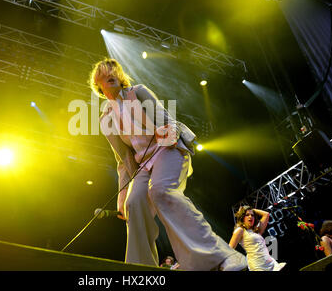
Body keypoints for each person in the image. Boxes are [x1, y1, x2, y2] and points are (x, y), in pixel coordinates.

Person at [88, 58, 246, 271]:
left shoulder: (138, 92)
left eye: (112, 74)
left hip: (167, 148)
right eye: (104, 78)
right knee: (133, 205)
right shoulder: (105, 117)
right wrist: (123, 193)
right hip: (143, 164)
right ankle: (140, 270)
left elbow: (166, 122)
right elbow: (123, 157)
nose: (110, 79)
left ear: (119, 77)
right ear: (99, 87)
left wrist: (165, 135)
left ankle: (222, 257)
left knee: (161, 191)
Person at [229, 206, 286, 271]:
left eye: (252, 215)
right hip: (257, 266)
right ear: (242, 217)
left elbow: (266, 214)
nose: (250, 217)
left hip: (270, 263)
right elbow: (229, 248)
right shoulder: (240, 230)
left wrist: (252, 210)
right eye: (247, 215)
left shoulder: (257, 230)